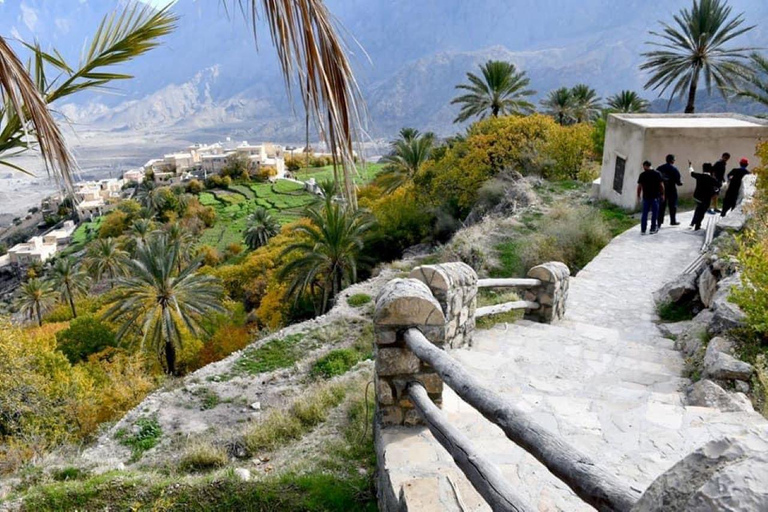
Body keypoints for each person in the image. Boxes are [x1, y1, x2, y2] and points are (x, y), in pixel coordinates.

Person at [636, 160, 664, 235]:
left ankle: (643, 230)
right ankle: (652, 228)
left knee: (645, 214)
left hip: (646, 197)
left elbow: (639, 187)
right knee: (654, 213)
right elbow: (661, 185)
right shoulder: (657, 174)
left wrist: (638, 196)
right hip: (655, 197)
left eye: (644, 166)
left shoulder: (642, 175)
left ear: (645, 166)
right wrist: (662, 194)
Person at [690, 162, 718, 231]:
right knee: (702, 212)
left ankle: (693, 222)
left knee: (698, 209)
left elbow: (692, 172)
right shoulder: (712, 179)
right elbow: (719, 185)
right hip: (706, 199)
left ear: (703, 169)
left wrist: (690, 165)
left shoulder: (699, 176)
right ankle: (697, 225)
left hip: (697, 197)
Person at [657, 154, 682, 227]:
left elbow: (656, 178)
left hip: (662, 190)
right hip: (671, 190)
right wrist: (680, 183)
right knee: (673, 206)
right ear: (672, 161)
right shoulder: (674, 169)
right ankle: (673, 221)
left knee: (661, 206)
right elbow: (678, 182)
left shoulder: (660, 168)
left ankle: (659, 221)